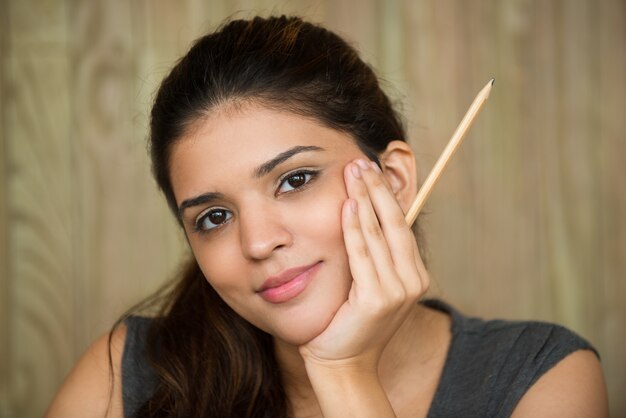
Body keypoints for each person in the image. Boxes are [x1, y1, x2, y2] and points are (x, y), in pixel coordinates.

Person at [46, 15, 608, 418]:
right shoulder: (124, 377)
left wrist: (345, 373)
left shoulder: (538, 378)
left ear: (393, 179)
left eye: (294, 179)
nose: (259, 242)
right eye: (214, 217)